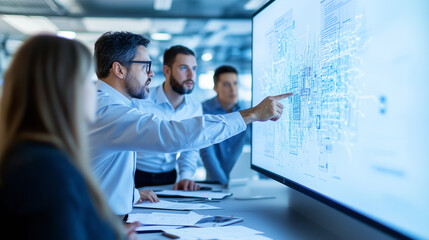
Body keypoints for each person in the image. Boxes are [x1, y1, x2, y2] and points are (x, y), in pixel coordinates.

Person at [89, 31, 293, 216]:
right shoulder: (109, 111)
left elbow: (104, 172)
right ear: (119, 69)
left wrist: (130, 195)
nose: (151, 74)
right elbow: (171, 135)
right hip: (100, 222)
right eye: (145, 67)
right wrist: (252, 114)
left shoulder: (104, 104)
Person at [0, 35, 138, 239]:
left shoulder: (28, 155)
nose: (94, 90)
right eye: (86, 81)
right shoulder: (48, 170)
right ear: (64, 91)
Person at [132, 45, 202, 191]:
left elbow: (191, 147)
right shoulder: (141, 101)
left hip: (170, 177)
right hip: (136, 177)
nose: (191, 75)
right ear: (166, 71)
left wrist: (186, 176)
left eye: (194, 68)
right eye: (184, 68)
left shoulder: (195, 108)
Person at [200, 65, 251, 185]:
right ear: (215, 87)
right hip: (215, 182)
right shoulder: (204, 110)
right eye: (226, 84)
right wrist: (223, 183)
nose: (233, 89)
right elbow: (207, 152)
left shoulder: (247, 111)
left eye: (235, 83)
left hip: (241, 182)